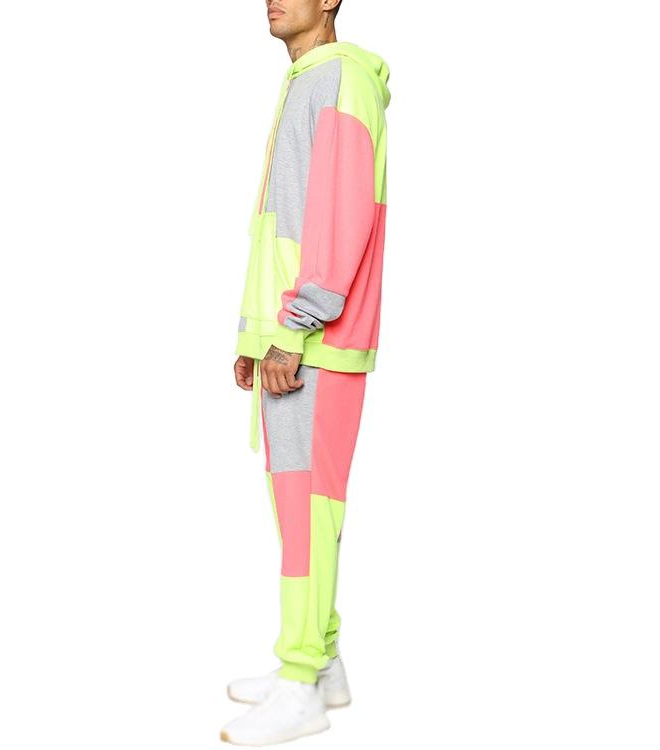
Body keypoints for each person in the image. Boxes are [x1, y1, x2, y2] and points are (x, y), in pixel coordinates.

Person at [223, 0, 390, 744]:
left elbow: (341, 216)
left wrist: (294, 328)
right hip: (293, 339)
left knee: (310, 513)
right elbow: (283, 225)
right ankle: (321, 662)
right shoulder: (308, 79)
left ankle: (301, 683)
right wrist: (257, 335)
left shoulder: (340, 78)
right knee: (299, 515)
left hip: (315, 341)